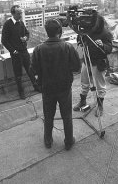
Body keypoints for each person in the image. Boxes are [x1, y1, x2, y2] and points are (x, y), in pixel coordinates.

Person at [31, 19, 81, 150]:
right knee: (67, 115)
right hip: (64, 87)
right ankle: (69, 141)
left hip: (47, 88)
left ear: (47, 32)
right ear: (60, 31)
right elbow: (77, 67)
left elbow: (33, 70)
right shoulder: (67, 47)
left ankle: (48, 141)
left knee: (48, 116)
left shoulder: (38, 49)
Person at [73, 13, 113, 117]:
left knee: (100, 85)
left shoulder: (105, 33)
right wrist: (80, 41)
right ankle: (82, 101)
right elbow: (80, 38)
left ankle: (100, 106)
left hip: (99, 62)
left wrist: (103, 45)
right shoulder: (86, 31)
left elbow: (110, 48)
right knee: (84, 82)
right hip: (87, 60)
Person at [1, 5, 39, 99]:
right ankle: (21, 92)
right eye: (19, 13)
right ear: (13, 14)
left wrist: (25, 38)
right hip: (16, 53)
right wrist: (13, 51)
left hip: (24, 51)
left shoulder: (21, 22)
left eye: (21, 13)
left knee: (30, 70)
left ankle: (36, 86)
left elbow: (27, 33)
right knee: (18, 74)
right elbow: (4, 40)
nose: (21, 15)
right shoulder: (7, 24)